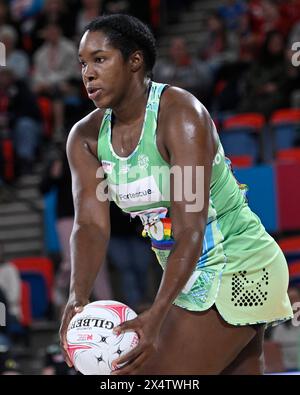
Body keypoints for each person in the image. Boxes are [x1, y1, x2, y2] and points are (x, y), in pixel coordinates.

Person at [59, 14, 293, 375]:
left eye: (100, 59)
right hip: (187, 275)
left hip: (238, 264)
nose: (87, 73)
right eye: (83, 63)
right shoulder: (86, 137)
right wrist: (77, 297)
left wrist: (157, 313)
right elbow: (90, 225)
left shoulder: (180, 116)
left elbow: (191, 229)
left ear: (135, 60)